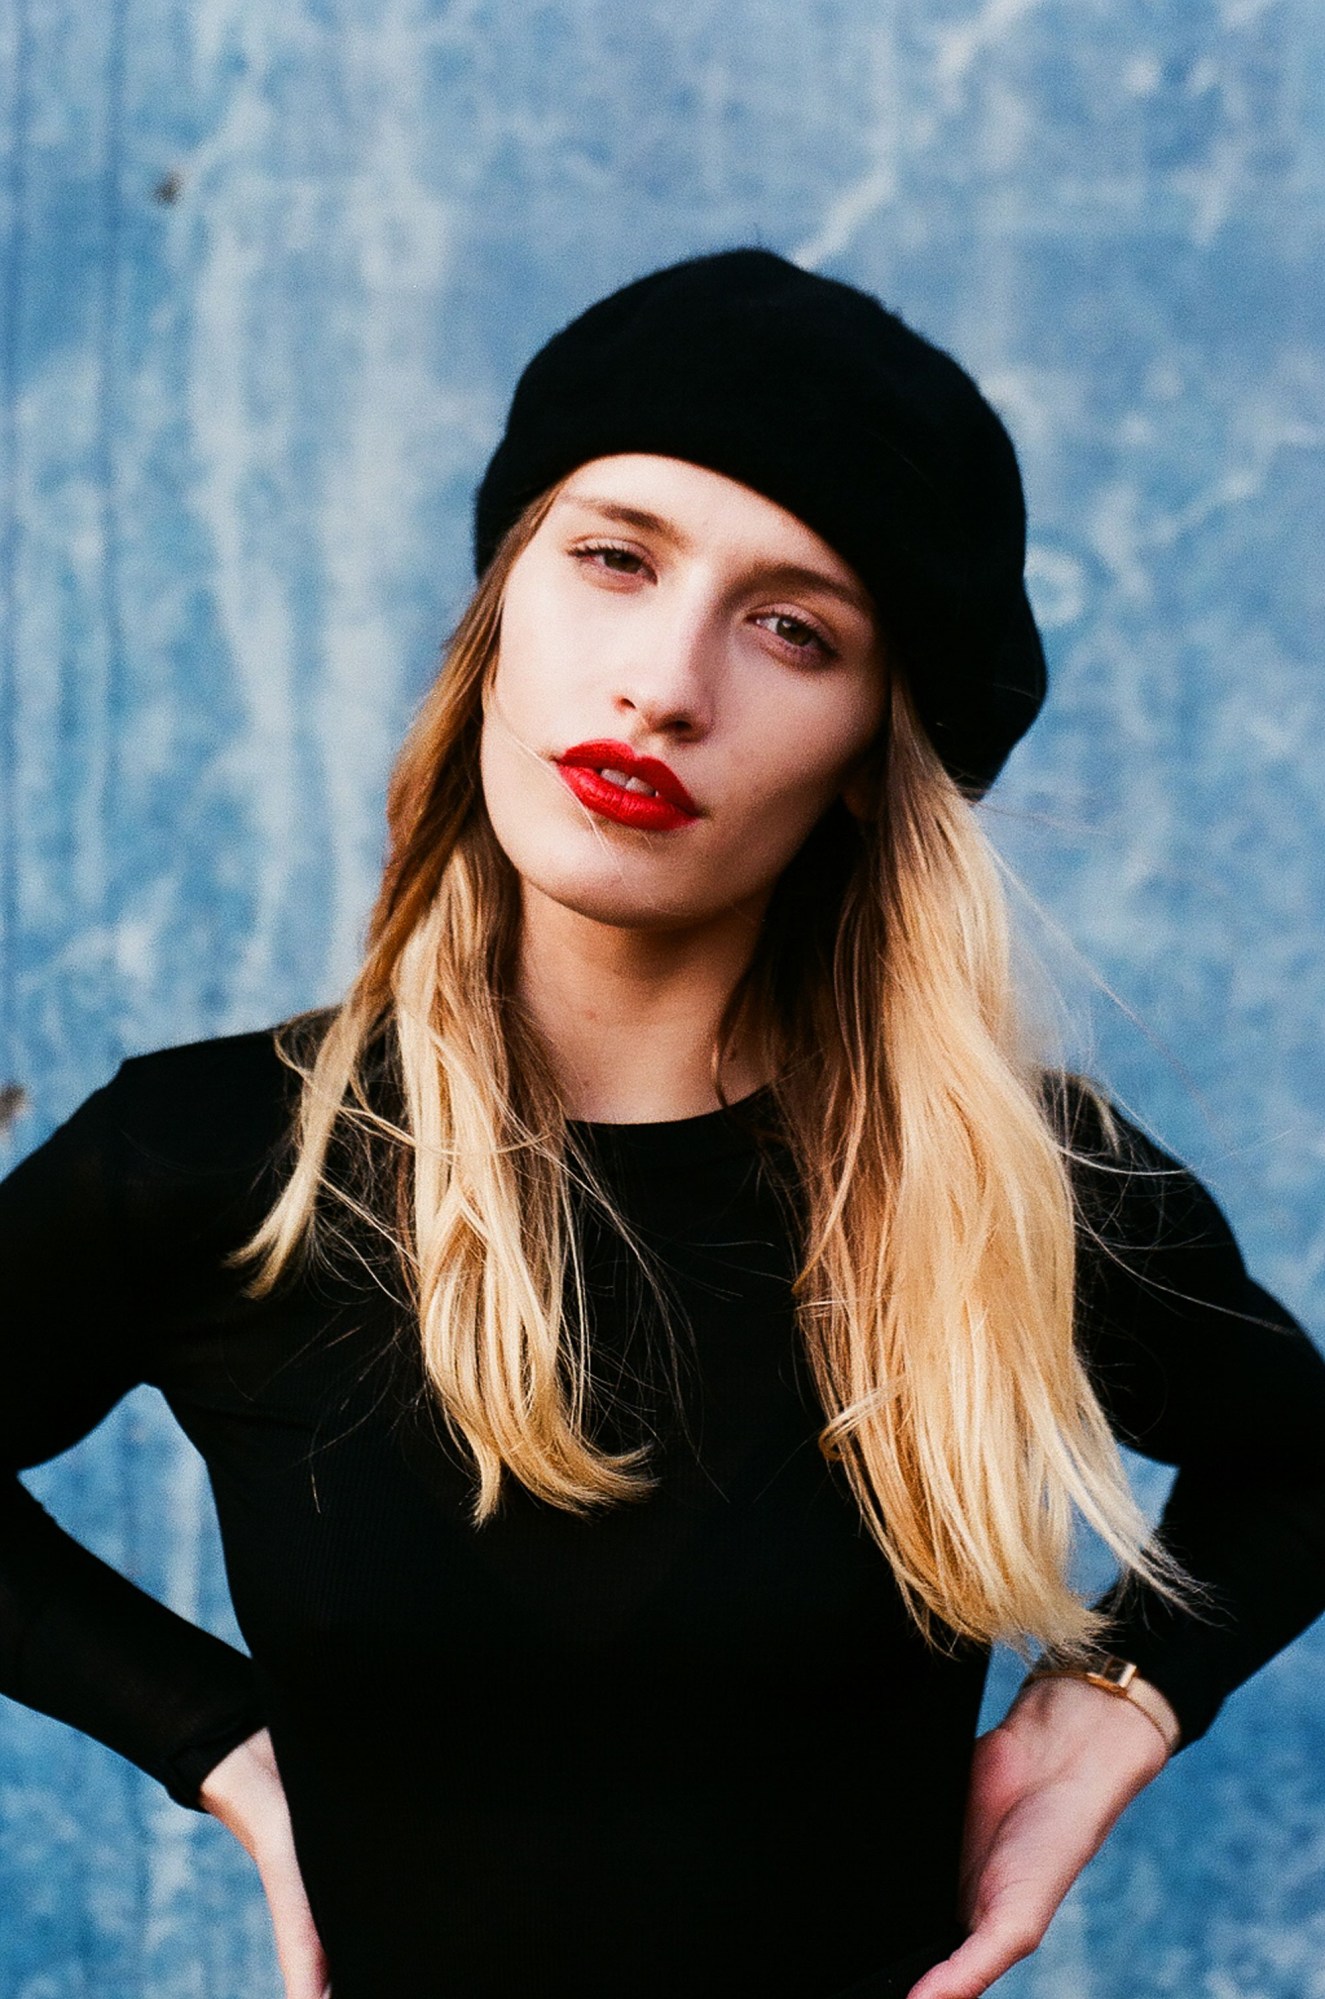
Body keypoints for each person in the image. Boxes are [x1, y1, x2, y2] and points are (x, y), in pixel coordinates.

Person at [2, 248, 1323, 1999]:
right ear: (501, 605)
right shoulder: (223, 1160)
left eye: (793, 629)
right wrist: (221, 1748)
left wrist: (1117, 1706)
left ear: (869, 751)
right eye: (613, 559)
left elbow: (1300, 1462)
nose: (665, 683)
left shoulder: (1011, 1185)